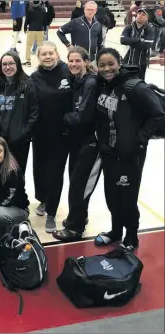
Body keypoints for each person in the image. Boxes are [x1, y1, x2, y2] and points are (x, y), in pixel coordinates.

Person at [94, 48, 165, 250]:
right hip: (109, 152)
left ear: (120, 63)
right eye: (102, 65)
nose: (107, 69)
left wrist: (139, 139)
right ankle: (116, 231)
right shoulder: (103, 85)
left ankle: (131, 236)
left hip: (129, 155)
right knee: (112, 195)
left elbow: (159, 115)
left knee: (128, 197)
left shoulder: (134, 87)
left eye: (111, 64)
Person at [52, 47, 101, 242]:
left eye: (77, 61)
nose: (73, 64)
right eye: (70, 61)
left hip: (92, 141)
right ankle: (79, 216)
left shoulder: (90, 82)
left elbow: (82, 116)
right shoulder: (76, 80)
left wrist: (62, 117)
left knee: (80, 185)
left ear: (86, 61)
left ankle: (75, 228)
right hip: (77, 140)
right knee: (76, 181)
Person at [29, 41, 73, 232]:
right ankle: (43, 200)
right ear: (38, 57)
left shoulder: (68, 73)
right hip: (40, 134)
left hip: (62, 135)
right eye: (43, 54)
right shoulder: (34, 77)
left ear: (57, 54)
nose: (47, 57)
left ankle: (52, 212)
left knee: (55, 173)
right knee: (39, 170)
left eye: (50, 53)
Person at [0, 50, 38, 177]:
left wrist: (24, 132)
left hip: (19, 140)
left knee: (17, 173)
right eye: (4, 64)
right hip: (0, 139)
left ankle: (18, 197)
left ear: (18, 65)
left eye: (11, 63)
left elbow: (34, 113)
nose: (8, 67)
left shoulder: (28, 85)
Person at [120, 7, 154, 80]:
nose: (139, 16)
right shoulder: (129, 27)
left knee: (139, 83)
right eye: (139, 13)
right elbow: (122, 40)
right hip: (127, 60)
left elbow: (147, 45)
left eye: (143, 14)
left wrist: (130, 42)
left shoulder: (149, 29)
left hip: (141, 62)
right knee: (125, 82)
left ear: (147, 18)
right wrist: (139, 40)